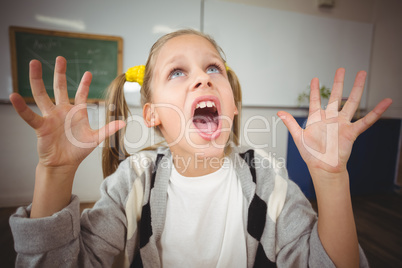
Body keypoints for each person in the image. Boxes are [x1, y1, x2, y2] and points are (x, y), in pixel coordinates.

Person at [9, 29, 392, 267]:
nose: (202, 81)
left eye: (213, 69)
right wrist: (55, 174)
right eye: (178, 72)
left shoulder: (265, 177)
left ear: (233, 103)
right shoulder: (133, 181)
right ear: (153, 113)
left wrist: (331, 179)